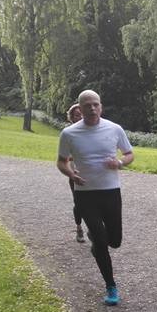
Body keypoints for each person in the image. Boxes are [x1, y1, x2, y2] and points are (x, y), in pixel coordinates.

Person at [57, 90, 134, 306]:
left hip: (111, 191)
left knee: (115, 241)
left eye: (95, 104)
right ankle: (111, 286)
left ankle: (96, 239)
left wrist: (120, 163)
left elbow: (129, 154)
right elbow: (61, 161)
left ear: (101, 106)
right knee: (101, 242)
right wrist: (71, 174)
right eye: (87, 105)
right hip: (85, 194)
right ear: (79, 109)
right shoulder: (69, 133)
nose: (92, 108)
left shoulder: (114, 129)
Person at [65, 104, 86, 243]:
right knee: (79, 203)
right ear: (72, 118)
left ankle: (93, 228)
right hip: (75, 174)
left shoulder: (92, 131)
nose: (80, 117)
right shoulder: (68, 134)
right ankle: (79, 228)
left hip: (92, 174)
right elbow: (64, 157)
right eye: (77, 115)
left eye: (82, 114)